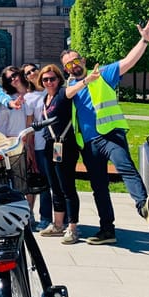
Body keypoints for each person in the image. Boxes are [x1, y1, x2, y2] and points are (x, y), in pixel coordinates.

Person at [61, 17, 149, 245]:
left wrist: (144, 41)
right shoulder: (72, 88)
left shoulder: (103, 73)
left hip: (110, 136)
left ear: (83, 60)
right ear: (65, 69)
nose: (73, 65)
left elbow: (128, 61)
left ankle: (143, 207)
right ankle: (107, 230)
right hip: (88, 143)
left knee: (126, 168)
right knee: (99, 187)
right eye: (68, 64)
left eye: (76, 61)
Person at [34, 63, 95, 244]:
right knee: (55, 187)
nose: (49, 82)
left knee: (67, 187)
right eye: (45, 79)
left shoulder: (63, 93)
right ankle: (58, 224)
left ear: (59, 79)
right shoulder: (46, 98)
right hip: (49, 146)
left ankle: (72, 227)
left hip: (65, 146)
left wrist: (87, 79)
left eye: (52, 79)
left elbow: (74, 88)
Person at [0, 66, 36, 217]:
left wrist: (29, 146)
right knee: (16, 182)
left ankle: (30, 214)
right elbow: (1, 128)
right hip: (12, 145)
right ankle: (15, 213)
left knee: (29, 181)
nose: (13, 79)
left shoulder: (33, 94)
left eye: (14, 75)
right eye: (8, 78)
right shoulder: (8, 100)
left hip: (33, 143)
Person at [21, 62, 50, 231]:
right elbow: (29, 125)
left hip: (57, 143)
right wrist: (30, 149)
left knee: (60, 182)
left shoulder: (52, 87)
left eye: (33, 70)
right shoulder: (29, 97)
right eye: (27, 73)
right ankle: (45, 218)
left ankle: (66, 218)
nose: (32, 73)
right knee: (44, 182)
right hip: (40, 144)